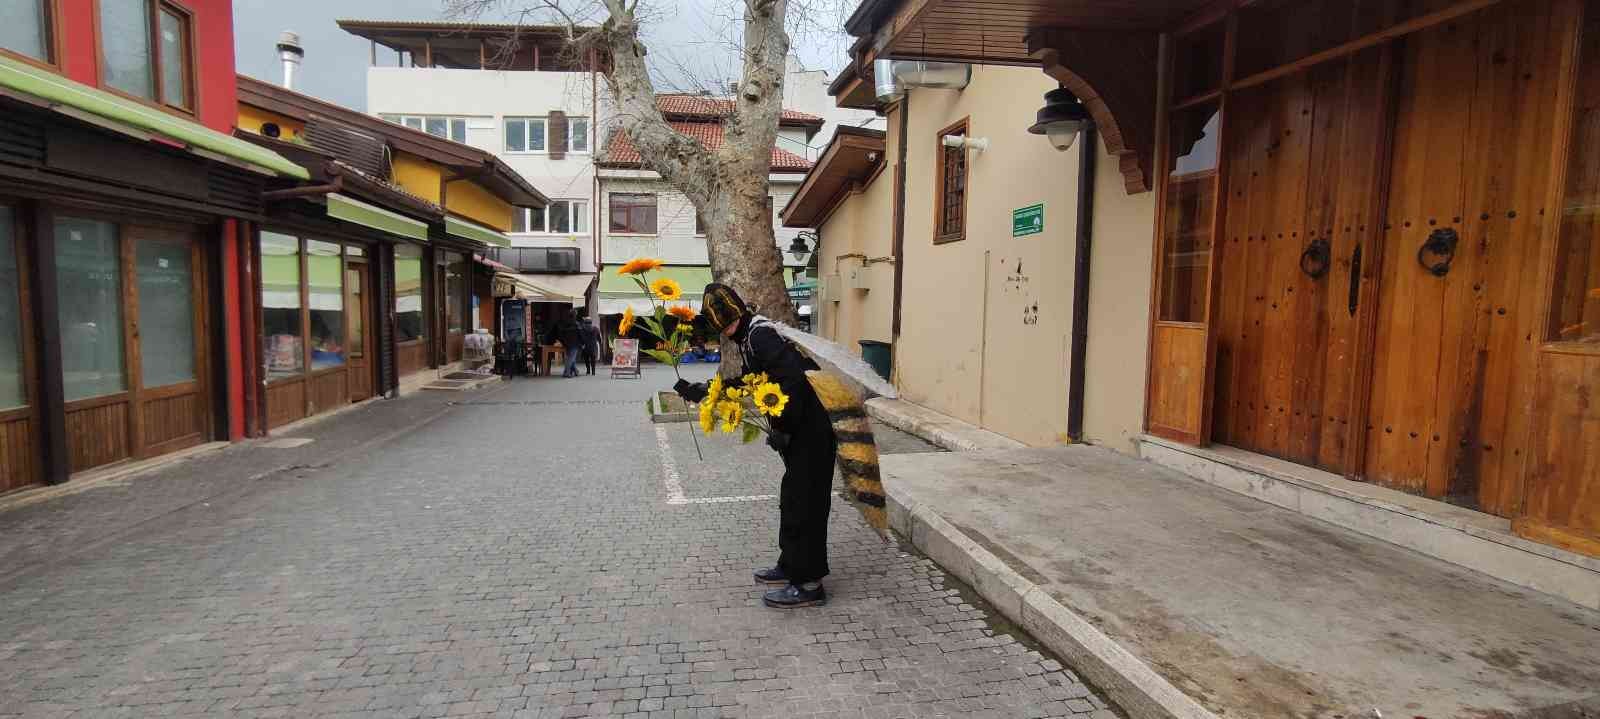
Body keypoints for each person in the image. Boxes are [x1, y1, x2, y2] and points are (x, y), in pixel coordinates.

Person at [676, 283, 835, 609]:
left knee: (807, 503)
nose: (728, 332)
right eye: (723, 329)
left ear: (738, 315)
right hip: (800, 427)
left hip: (812, 427)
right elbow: (751, 382)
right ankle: (790, 564)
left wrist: (785, 428)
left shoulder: (760, 335)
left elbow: (793, 380)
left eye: (729, 325)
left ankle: (808, 583)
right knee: (792, 498)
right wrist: (706, 391)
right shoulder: (750, 338)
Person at [558, 309, 582, 378]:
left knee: (570, 358)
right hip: (574, 343)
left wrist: (563, 342)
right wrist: (582, 343)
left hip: (567, 343)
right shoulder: (577, 324)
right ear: (575, 315)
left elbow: (561, 334)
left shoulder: (565, 323)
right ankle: (566, 373)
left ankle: (576, 371)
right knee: (571, 358)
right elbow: (580, 334)